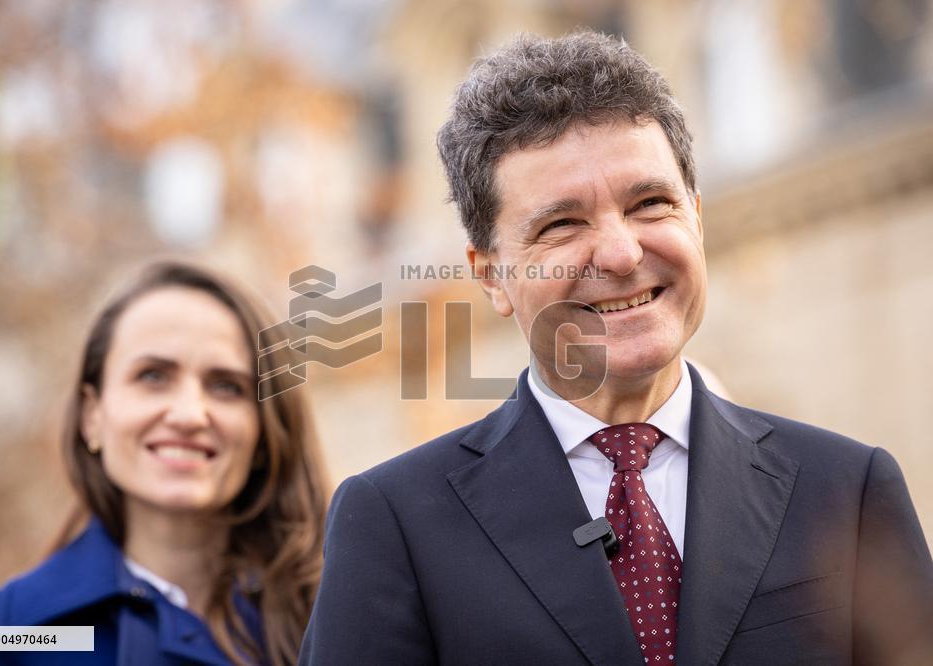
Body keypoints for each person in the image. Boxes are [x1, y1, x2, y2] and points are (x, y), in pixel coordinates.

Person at [300, 31, 933, 665]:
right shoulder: (394, 525)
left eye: (650, 204)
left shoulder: (846, 492)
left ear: (698, 219)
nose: (623, 253)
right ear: (490, 274)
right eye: (562, 224)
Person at [0, 261, 328, 665]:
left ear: (265, 433)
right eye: (153, 376)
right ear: (91, 415)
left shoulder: (334, 618)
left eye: (225, 386)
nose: (189, 414)